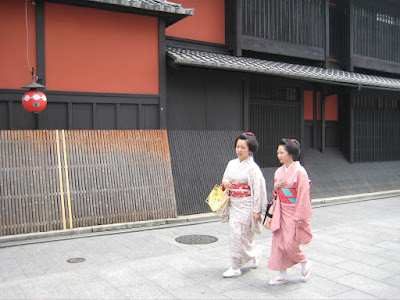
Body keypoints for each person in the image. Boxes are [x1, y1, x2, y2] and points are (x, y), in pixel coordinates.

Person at [221, 132, 267, 278]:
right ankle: (240, 263)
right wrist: (225, 183)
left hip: (247, 205)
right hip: (234, 204)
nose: (239, 150)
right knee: (235, 235)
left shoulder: (253, 168)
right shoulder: (231, 163)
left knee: (243, 236)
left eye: (243, 147)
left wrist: (257, 210)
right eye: (237, 147)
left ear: (250, 149)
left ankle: (246, 259)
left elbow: (258, 189)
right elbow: (225, 178)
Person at [267, 138, 312, 285]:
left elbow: (304, 194)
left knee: (289, 243)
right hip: (281, 210)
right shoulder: (278, 171)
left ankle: (304, 262)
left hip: (293, 211)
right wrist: (276, 187)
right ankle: (281, 273)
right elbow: (275, 195)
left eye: (282, 152)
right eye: (278, 152)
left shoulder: (300, 172)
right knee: (278, 242)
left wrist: (301, 216)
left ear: (290, 154)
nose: (279, 155)